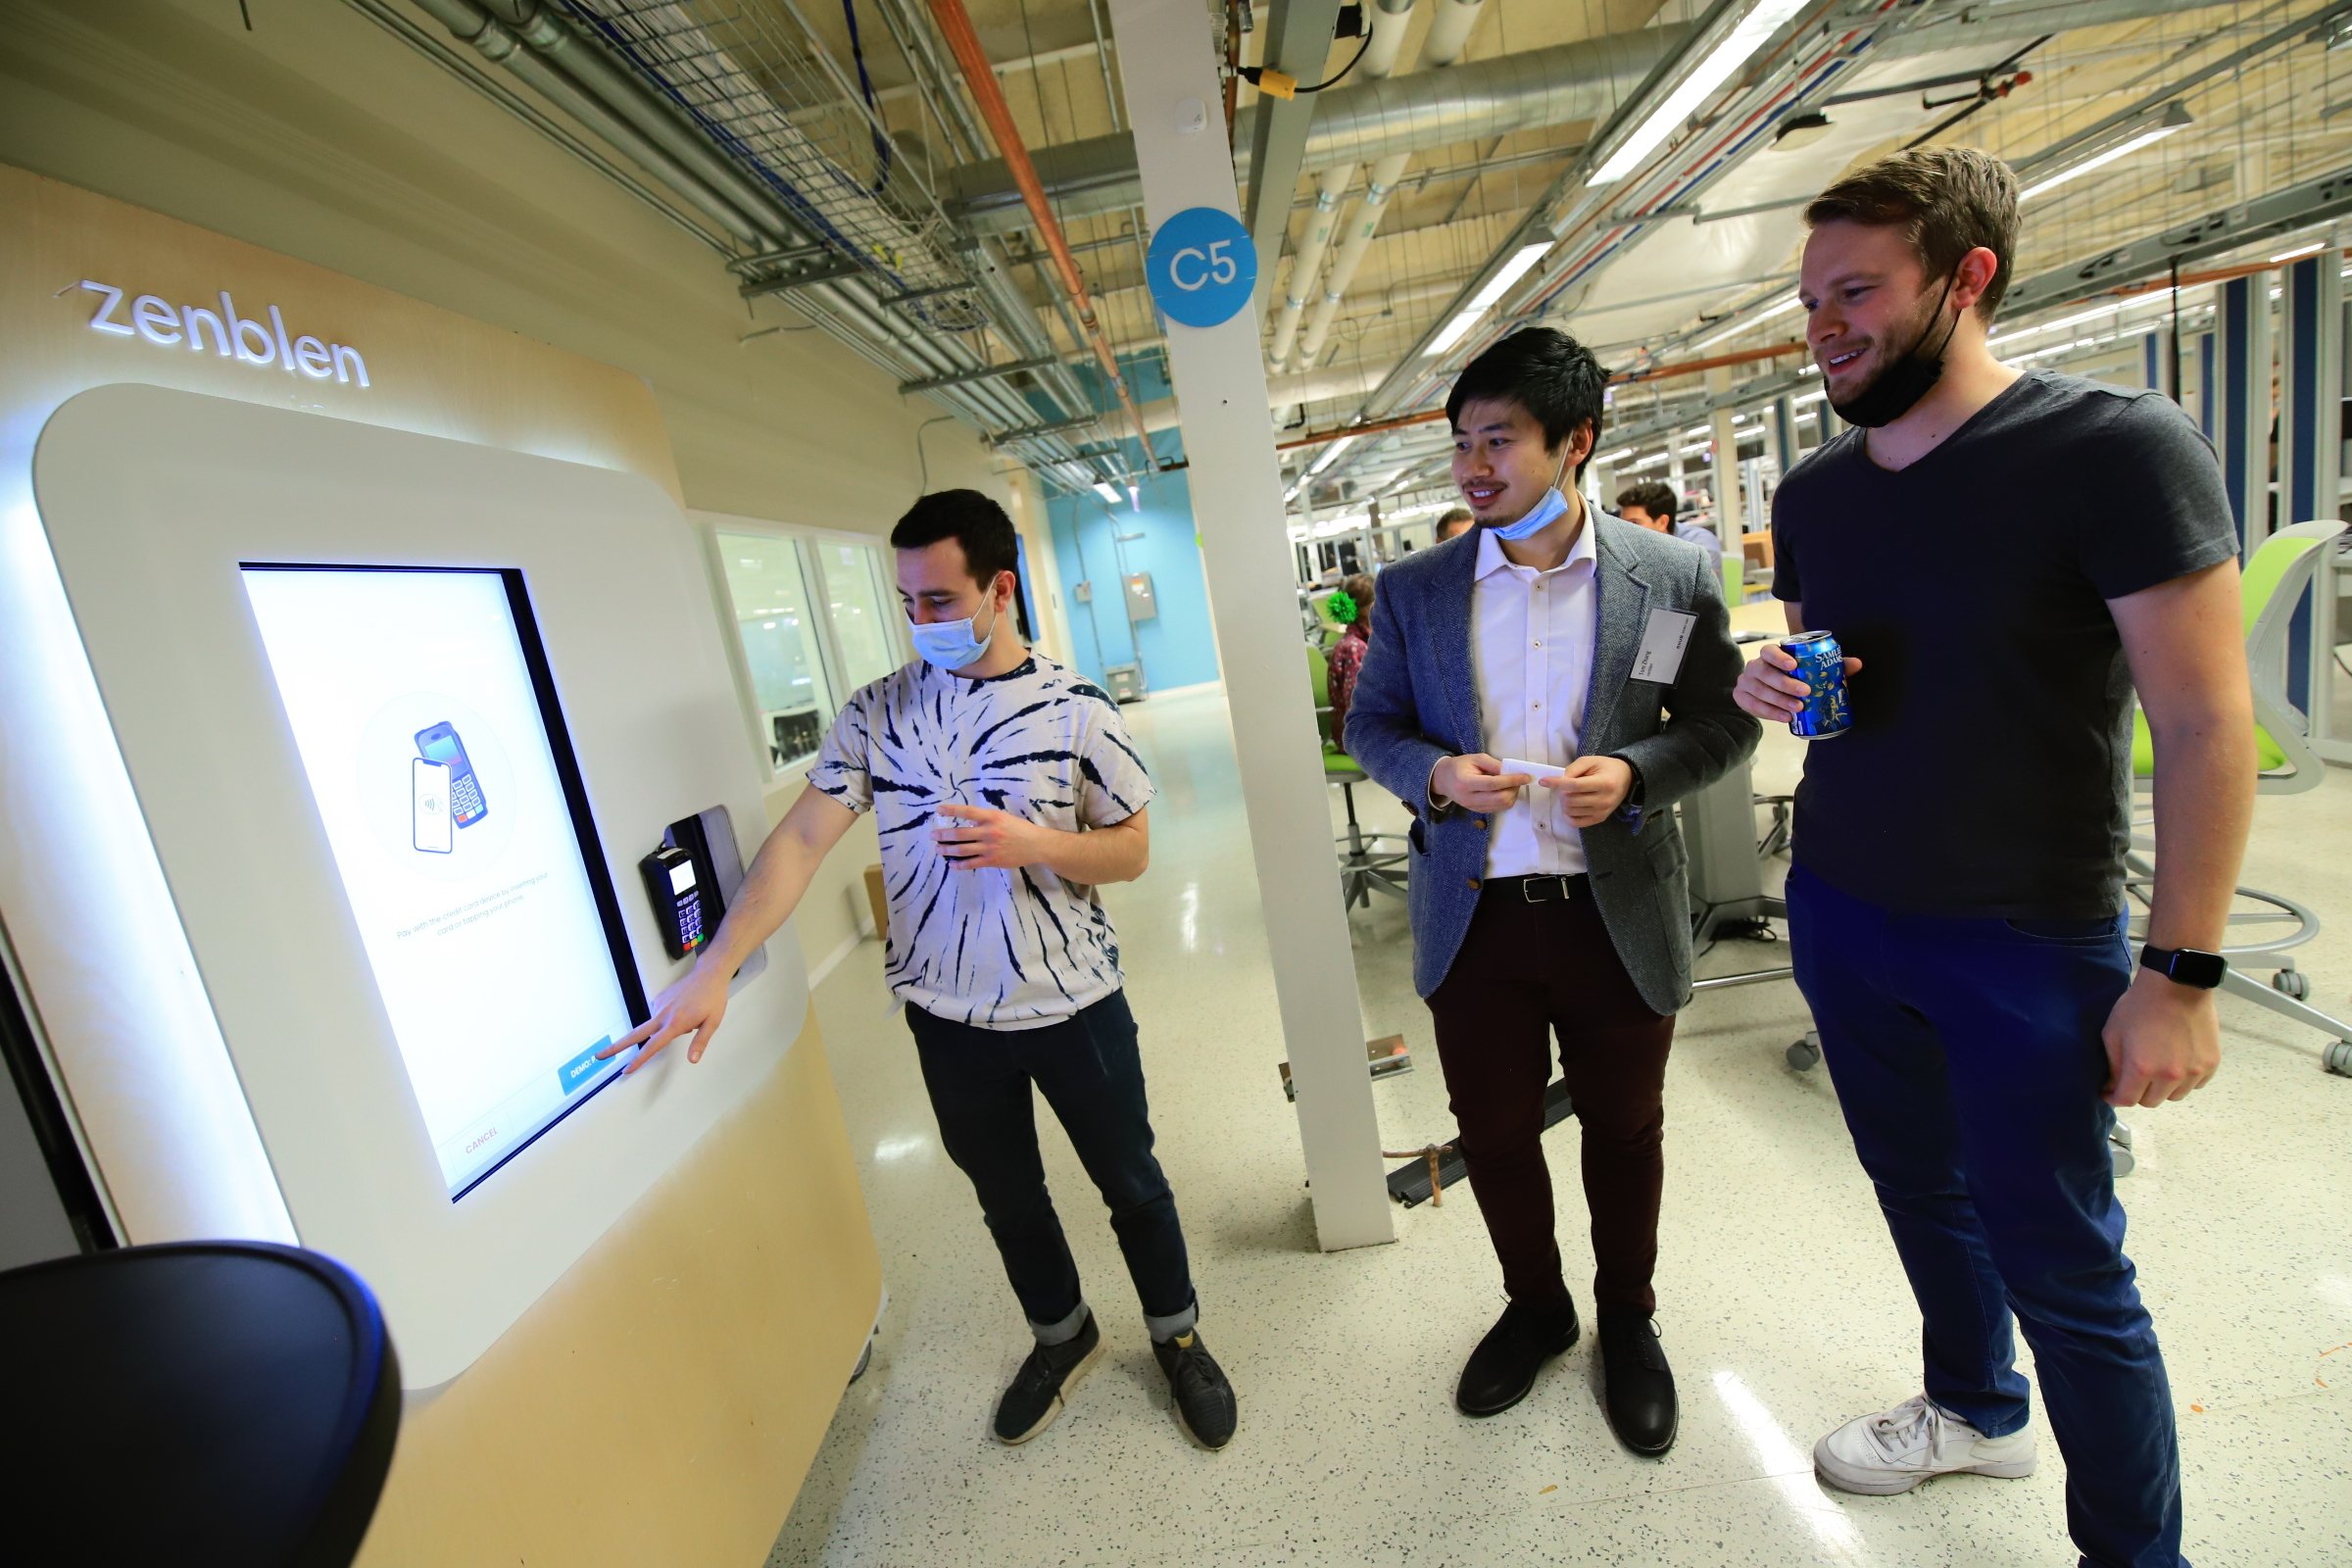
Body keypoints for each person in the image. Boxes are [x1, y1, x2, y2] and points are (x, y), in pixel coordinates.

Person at [1737, 147, 2248, 1566]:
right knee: (1919, 1195)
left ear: (1969, 279)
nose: (1824, 322)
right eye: (1810, 297)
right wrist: (1770, 685)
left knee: (2069, 1266)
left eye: (1858, 292)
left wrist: (2182, 976)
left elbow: (2206, 723)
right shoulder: (1820, 494)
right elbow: (1844, 666)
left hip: (2023, 935)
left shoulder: (2113, 451)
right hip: (1844, 907)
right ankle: (1972, 1403)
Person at [604, 489, 1238, 1452]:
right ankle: (1060, 1333)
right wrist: (717, 965)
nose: (920, 621)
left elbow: (1134, 849)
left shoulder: (1076, 711)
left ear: (999, 588)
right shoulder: (877, 716)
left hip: (1074, 1003)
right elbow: (801, 840)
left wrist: (1036, 841)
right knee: (1006, 1192)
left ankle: (1176, 1332)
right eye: (907, 602)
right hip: (944, 1016)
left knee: (1131, 1182)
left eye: (940, 599)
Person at [1346, 328, 1759, 1455]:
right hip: (1473, 919)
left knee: (1625, 1132)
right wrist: (1432, 773)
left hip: (1612, 910)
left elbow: (1719, 723)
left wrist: (1636, 772)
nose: (1474, 466)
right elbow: (1369, 724)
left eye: (1501, 440)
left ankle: (1630, 1318)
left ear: (1575, 441)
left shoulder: (1663, 582)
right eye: (1463, 443)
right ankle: (1538, 1308)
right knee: (1495, 1130)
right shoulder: (1422, 589)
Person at [1614, 480, 1722, 570]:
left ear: (1662, 523)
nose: (1624, 531)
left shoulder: (1700, 547)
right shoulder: (1635, 550)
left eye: (1634, 523)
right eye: (1622, 524)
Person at [1324, 572, 1375, 753]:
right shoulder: (1354, 648)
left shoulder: (1360, 642)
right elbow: (1358, 706)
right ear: (1366, 608)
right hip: (1356, 738)